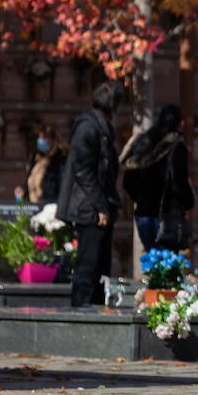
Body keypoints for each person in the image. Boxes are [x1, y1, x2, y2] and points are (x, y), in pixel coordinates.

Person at [57, 81, 125, 308]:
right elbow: (83, 170)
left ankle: (95, 311)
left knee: (100, 268)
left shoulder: (103, 127)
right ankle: (81, 311)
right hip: (89, 207)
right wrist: (100, 207)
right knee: (88, 265)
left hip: (101, 204)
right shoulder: (88, 127)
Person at [120, 104, 194, 249]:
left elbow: (127, 181)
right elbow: (178, 180)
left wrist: (141, 198)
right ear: (176, 123)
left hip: (144, 214)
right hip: (166, 214)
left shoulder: (145, 143)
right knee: (167, 259)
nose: (184, 123)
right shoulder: (176, 146)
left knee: (152, 257)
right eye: (181, 120)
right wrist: (188, 203)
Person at [16, 124, 67, 204]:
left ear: (53, 140)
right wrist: (22, 189)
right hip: (33, 204)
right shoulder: (36, 159)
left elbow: (61, 184)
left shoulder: (61, 159)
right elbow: (29, 180)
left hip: (50, 204)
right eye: (39, 138)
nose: (41, 140)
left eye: (44, 138)